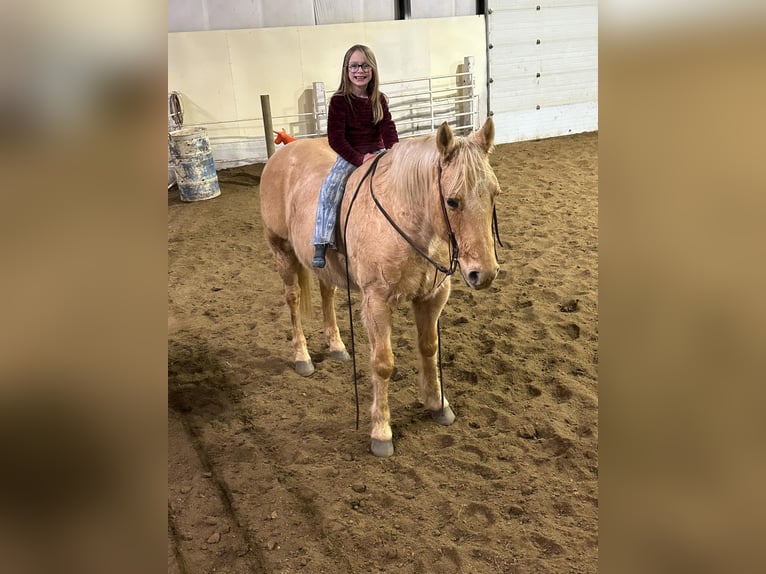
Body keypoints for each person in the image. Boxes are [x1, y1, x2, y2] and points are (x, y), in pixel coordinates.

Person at [311, 44, 399, 268]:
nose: (360, 71)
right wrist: (360, 159)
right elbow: (336, 139)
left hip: (378, 152)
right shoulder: (339, 101)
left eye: (365, 65)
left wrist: (394, 153)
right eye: (354, 66)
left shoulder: (379, 99)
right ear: (346, 70)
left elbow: (388, 129)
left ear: (372, 69)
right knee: (330, 187)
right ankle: (322, 239)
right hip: (352, 155)